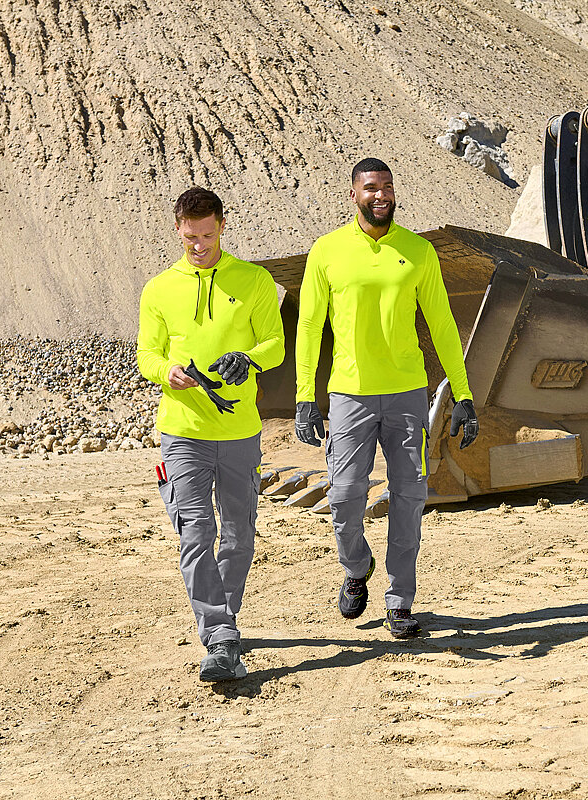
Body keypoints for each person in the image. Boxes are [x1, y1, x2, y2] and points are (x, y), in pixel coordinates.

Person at [294, 158, 479, 639]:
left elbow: (441, 323)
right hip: (349, 395)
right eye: (372, 188)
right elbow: (310, 326)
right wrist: (303, 396)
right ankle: (356, 567)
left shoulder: (417, 251)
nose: (382, 195)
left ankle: (400, 600)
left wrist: (463, 394)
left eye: (389, 187)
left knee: (409, 496)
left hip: (406, 395)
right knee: (345, 495)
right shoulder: (327, 251)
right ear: (354, 194)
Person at [136, 187, 284, 681]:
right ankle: (220, 633)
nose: (197, 244)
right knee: (196, 534)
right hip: (182, 431)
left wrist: (250, 359)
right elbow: (146, 355)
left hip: (240, 431)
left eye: (206, 234)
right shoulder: (159, 289)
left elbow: (276, 345)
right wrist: (167, 372)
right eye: (189, 236)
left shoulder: (255, 280)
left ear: (222, 225)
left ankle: (224, 617)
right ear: (178, 229)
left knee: (239, 537)